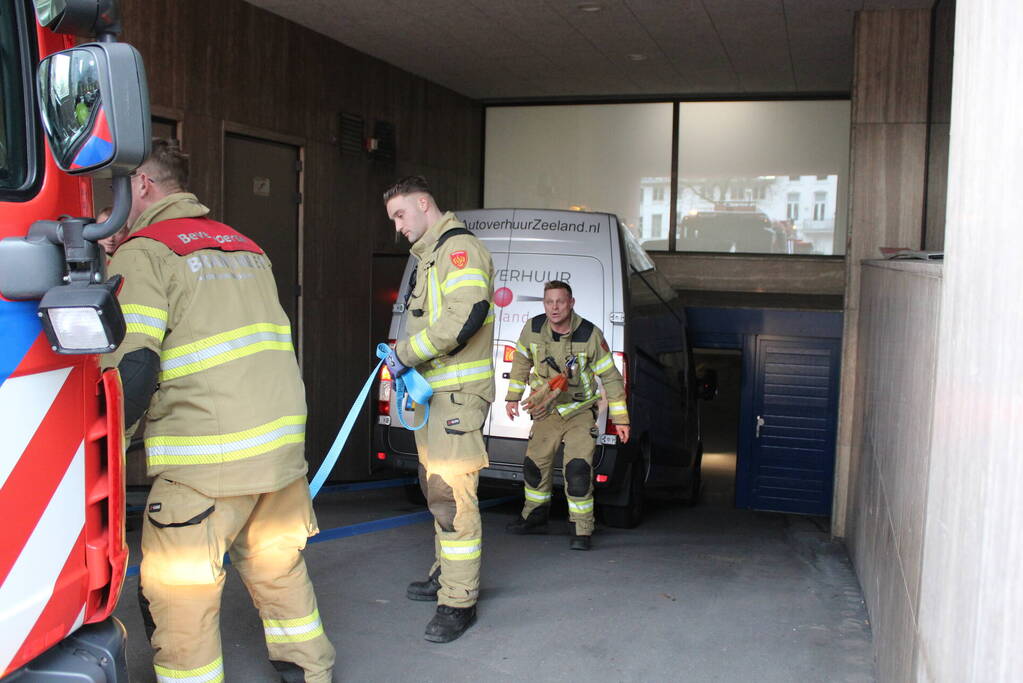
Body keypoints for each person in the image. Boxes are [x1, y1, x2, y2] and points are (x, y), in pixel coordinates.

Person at [104, 140, 335, 682]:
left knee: (180, 595)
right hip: (277, 454)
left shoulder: (145, 252)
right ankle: (311, 671)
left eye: (117, 189)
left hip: (207, 464)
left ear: (141, 184)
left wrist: (105, 451)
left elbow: (133, 369)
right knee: (278, 569)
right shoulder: (247, 247)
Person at [382, 175, 494, 643]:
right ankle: (445, 574)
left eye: (400, 214)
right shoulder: (431, 254)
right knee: (438, 492)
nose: (398, 227)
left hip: (456, 399)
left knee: (452, 496)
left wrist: (405, 354)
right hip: (436, 400)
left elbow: (463, 317)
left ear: (424, 204)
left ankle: (458, 600)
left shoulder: (457, 250)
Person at [504, 280, 630, 550]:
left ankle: (581, 529)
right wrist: (513, 397)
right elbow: (521, 361)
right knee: (534, 467)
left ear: (571, 303)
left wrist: (621, 419)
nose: (554, 307)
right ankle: (535, 517)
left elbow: (611, 377)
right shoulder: (533, 329)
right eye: (549, 302)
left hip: (580, 412)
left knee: (578, 470)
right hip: (546, 411)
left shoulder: (589, 335)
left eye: (560, 301)